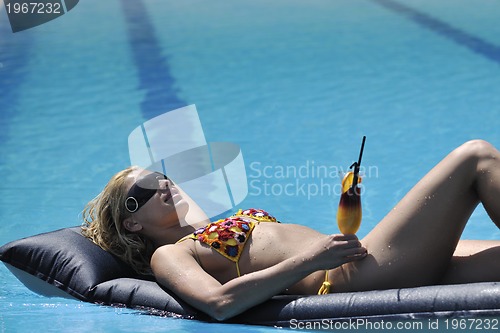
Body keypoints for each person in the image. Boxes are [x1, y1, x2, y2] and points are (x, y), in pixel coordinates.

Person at [82, 139, 500, 321]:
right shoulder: (169, 255)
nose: (164, 184)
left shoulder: (212, 228)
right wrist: (313, 259)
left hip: (365, 257)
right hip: (352, 277)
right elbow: (218, 303)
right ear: (131, 222)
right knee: (475, 156)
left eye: (162, 176)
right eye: (145, 189)